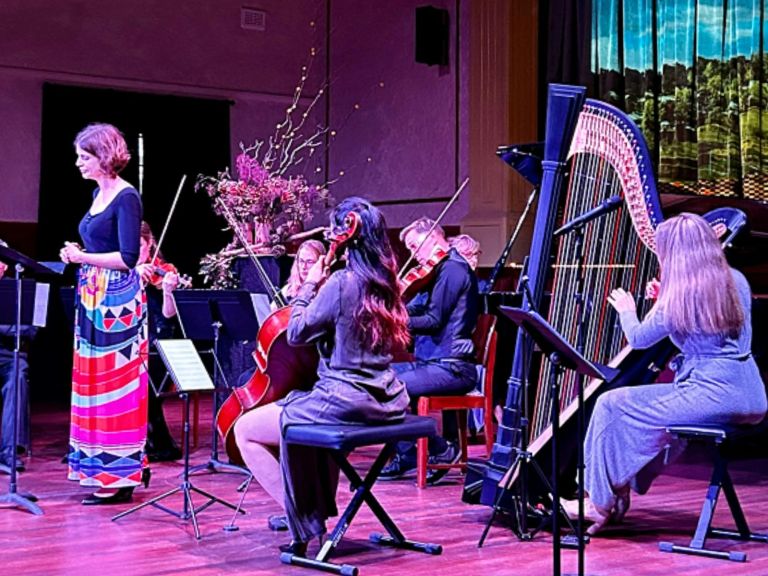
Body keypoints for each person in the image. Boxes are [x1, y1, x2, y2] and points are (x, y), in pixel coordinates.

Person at [563, 213, 768, 535]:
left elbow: (639, 338)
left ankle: (598, 501)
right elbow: (704, 316)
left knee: (611, 404)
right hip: (750, 394)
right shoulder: (735, 280)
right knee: (628, 410)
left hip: (711, 394)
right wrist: (663, 301)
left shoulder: (679, 294)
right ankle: (614, 494)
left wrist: (627, 311)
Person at [233, 196, 410, 555]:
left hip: (345, 401)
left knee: (245, 431)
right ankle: (313, 515)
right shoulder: (387, 281)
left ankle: (300, 516)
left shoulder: (342, 283)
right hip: (387, 399)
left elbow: (297, 332)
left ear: (347, 237)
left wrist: (310, 285)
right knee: (304, 421)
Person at [60, 123, 149, 505]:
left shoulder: (126, 196)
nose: (78, 163)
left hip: (117, 304)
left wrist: (83, 257)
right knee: (93, 386)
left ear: (104, 157)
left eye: (85, 157)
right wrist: (77, 253)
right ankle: (98, 468)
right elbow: (102, 247)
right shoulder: (99, 193)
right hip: (95, 297)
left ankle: (120, 474)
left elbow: (128, 258)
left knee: (116, 389)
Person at [380, 218, 479, 484]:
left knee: (388, 385)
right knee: (376, 379)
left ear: (432, 237)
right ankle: (408, 453)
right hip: (434, 363)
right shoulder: (438, 271)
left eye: (414, 246)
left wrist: (394, 321)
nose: (413, 254)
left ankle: (441, 449)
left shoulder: (454, 270)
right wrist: (391, 310)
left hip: (453, 367)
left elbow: (434, 320)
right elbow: (420, 310)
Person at [134, 221, 183, 462]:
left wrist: (168, 291)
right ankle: (147, 439)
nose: (135, 251)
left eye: (139, 245)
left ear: (150, 243)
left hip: (157, 340)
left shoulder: (163, 271)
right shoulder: (122, 270)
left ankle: (156, 440)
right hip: (130, 338)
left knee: (146, 369)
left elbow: (168, 316)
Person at [0, 260, 30, 472]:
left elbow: (30, 328)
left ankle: (9, 452)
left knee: (18, 376)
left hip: (8, 354)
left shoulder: (19, 289)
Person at [273, 239, 327, 306]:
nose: (304, 267)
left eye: (309, 262)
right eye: (301, 261)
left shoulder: (327, 290)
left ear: (320, 263)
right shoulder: (288, 289)